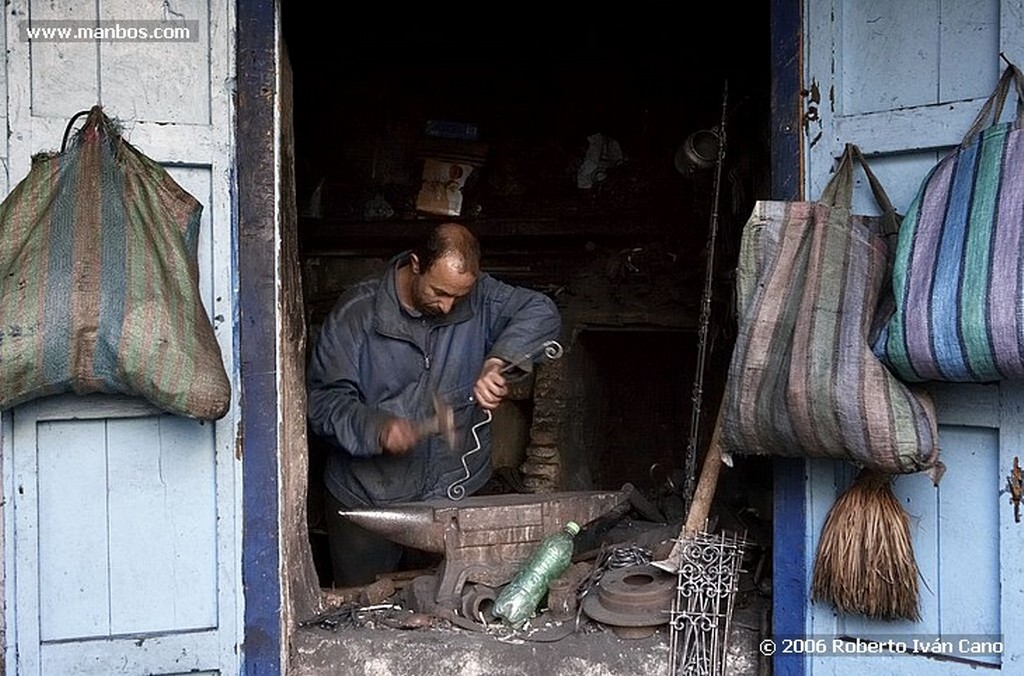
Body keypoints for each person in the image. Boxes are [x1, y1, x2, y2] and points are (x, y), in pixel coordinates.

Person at [307, 222, 562, 587]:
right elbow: (322, 402)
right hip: (368, 499)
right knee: (366, 610)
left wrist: (499, 360)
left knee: (444, 608)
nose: (447, 307)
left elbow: (542, 311)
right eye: (439, 292)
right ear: (416, 264)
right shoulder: (357, 315)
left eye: (459, 297)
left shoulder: (481, 298)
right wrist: (377, 428)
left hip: (450, 496)